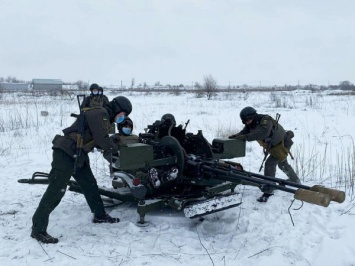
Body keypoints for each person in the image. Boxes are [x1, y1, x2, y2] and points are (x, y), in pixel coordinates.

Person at [31, 96, 132, 244]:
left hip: (78, 154)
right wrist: (118, 149)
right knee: (56, 190)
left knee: (89, 184)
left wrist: (113, 143)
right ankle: (38, 229)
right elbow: (102, 139)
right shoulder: (101, 113)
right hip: (65, 152)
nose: (122, 118)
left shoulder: (103, 115)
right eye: (122, 114)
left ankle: (99, 215)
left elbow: (96, 138)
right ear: (117, 109)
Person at [229, 106, 300, 203]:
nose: (247, 122)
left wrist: (245, 137)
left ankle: (268, 190)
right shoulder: (252, 123)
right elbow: (245, 131)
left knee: (270, 164)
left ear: (253, 116)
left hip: (282, 144)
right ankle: (295, 180)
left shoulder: (266, 120)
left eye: (248, 119)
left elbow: (263, 133)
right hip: (275, 146)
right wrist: (237, 136)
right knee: (282, 163)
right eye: (245, 121)